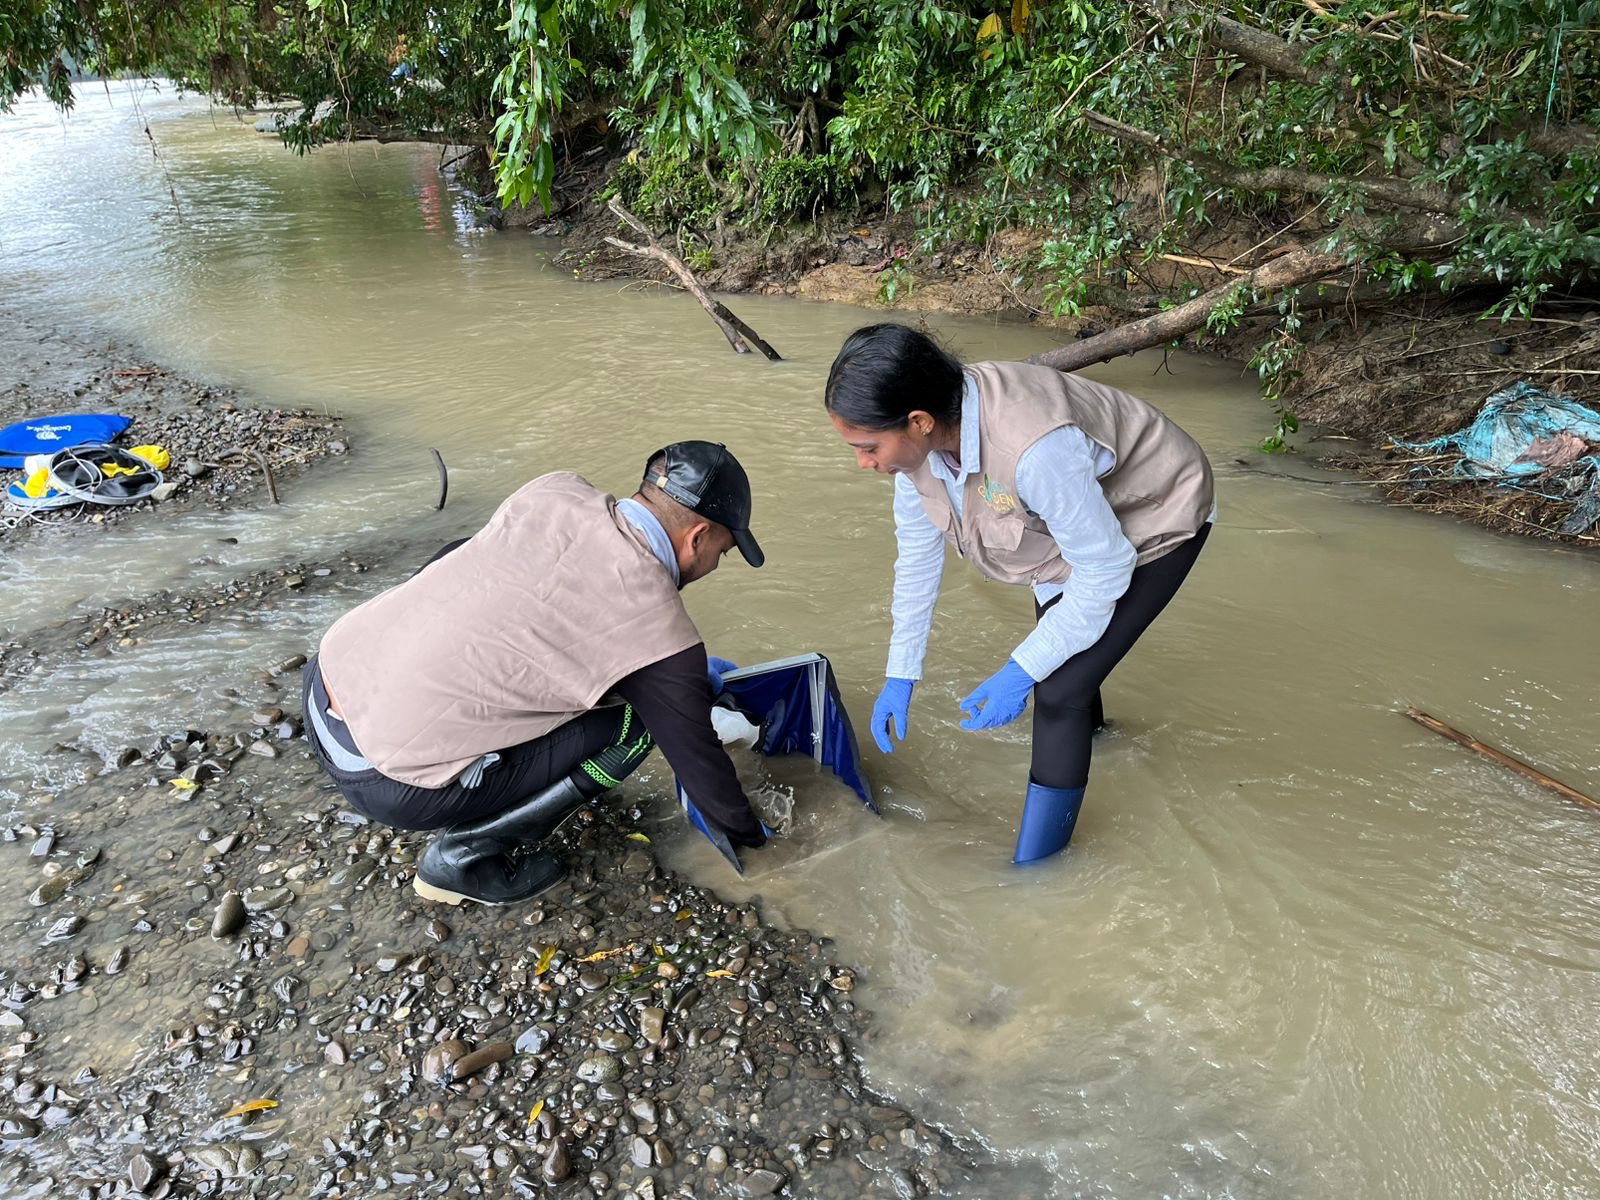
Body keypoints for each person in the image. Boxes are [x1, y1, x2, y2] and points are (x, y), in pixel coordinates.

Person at [302, 442, 770, 906]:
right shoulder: (659, 628)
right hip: (381, 777)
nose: (713, 566)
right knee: (641, 723)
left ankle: (506, 776)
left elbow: (455, 557)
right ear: (698, 537)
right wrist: (754, 835)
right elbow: (698, 762)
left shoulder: (554, 493)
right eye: (722, 553)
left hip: (327, 681)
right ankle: (464, 856)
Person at [824, 324, 1215, 863]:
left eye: (867, 448)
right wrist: (901, 671)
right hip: (1075, 519)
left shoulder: (1035, 452)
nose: (863, 463)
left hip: (1158, 510)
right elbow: (916, 558)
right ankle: (1100, 739)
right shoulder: (918, 449)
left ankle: (1037, 870)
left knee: (1057, 691)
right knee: (1065, 649)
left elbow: (1102, 569)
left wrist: (1020, 671)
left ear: (918, 421)